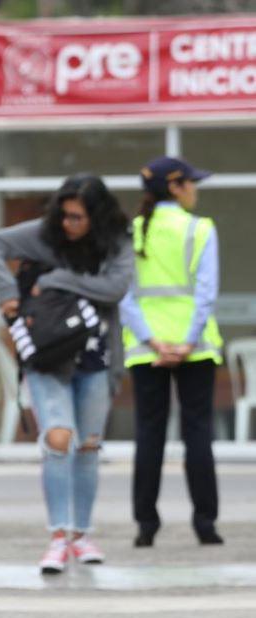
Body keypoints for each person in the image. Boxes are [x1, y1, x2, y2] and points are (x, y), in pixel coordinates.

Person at [0, 175, 133, 573]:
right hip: (47, 355)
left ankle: (82, 534)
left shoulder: (116, 240)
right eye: (64, 215)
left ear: (96, 217)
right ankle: (58, 537)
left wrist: (55, 280)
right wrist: (7, 293)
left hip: (96, 357)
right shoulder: (44, 235)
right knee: (60, 437)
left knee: (88, 445)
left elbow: (115, 287)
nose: (68, 224)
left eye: (78, 217)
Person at [120, 156, 225, 547]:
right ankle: (205, 525)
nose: (195, 190)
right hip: (194, 348)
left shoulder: (131, 232)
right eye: (192, 183)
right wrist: (186, 341)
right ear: (177, 187)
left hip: (147, 350)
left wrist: (152, 340)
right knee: (198, 433)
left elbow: (125, 297)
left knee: (149, 436)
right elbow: (206, 292)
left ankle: (146, 527)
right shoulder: (200, 229)